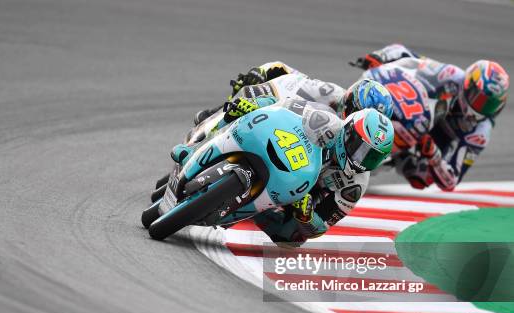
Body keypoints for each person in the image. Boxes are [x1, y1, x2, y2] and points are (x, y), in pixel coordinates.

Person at [174, 96, 394, 245]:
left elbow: (321, 227)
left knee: (293, 238)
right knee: (243, 108)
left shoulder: (355, 185)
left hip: (293, 198)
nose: (361, 160)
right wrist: (256, 106)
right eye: (361, 149)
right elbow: (282, 105)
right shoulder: (325, 120)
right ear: (348, 133)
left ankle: (247, 210)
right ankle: (194, 146)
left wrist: (307, 216)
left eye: (371, 157)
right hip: (280, 149)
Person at [351, 44, 509, 190]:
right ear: (468, 84)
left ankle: (394, 158)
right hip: (416, 115)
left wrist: (434, 155)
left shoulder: (480, 133)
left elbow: (451, 181)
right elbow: (408, 56)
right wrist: (380, 57)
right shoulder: (452, 76)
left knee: (422, 177)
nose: (481, 107)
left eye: (489, 104)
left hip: (432, 145)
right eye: (479, 98)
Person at [193, 61, 394, 125]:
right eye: (353, 111)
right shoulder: (331, 92)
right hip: (281, 118)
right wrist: (261, 73)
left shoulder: (356, 145)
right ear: (349, 98)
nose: (351, 117)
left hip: (297, 155)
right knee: (253, 91)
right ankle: (214, 120)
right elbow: (287, 74)